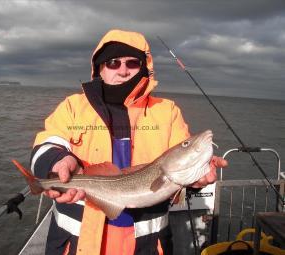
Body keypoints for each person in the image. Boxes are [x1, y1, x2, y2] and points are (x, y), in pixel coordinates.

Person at [30, 29, 227, 255]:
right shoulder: (73, 106)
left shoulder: (167, 111)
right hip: (78, 243)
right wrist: (56, 161)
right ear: (100, 68)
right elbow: (47, 141)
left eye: (132, 63)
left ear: (144, 67)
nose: (123, 70)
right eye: (113, 63)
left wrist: (197, 175)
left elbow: (183, 158)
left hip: (147, 245)